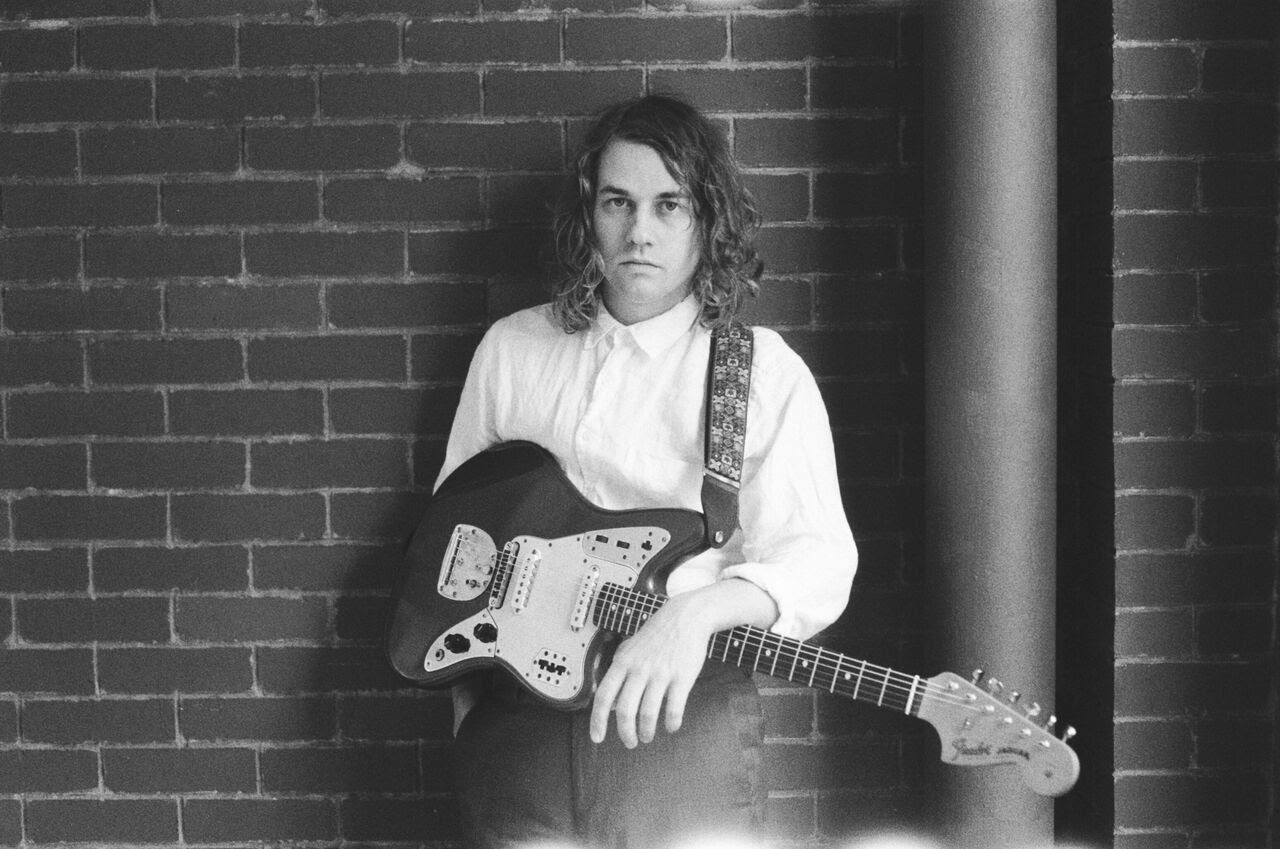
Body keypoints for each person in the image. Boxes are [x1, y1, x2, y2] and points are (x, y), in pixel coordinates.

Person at [436, 94, 857, 849]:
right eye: (618, 202)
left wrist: (692, 616)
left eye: (670, 205)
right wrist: (468, 711)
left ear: (708, 220)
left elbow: (820, 561)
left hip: (679, 727)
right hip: (515, 732)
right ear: (588, 215)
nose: (640, 232)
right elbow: (450, 535)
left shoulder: (758, 372)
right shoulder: (512, 350)